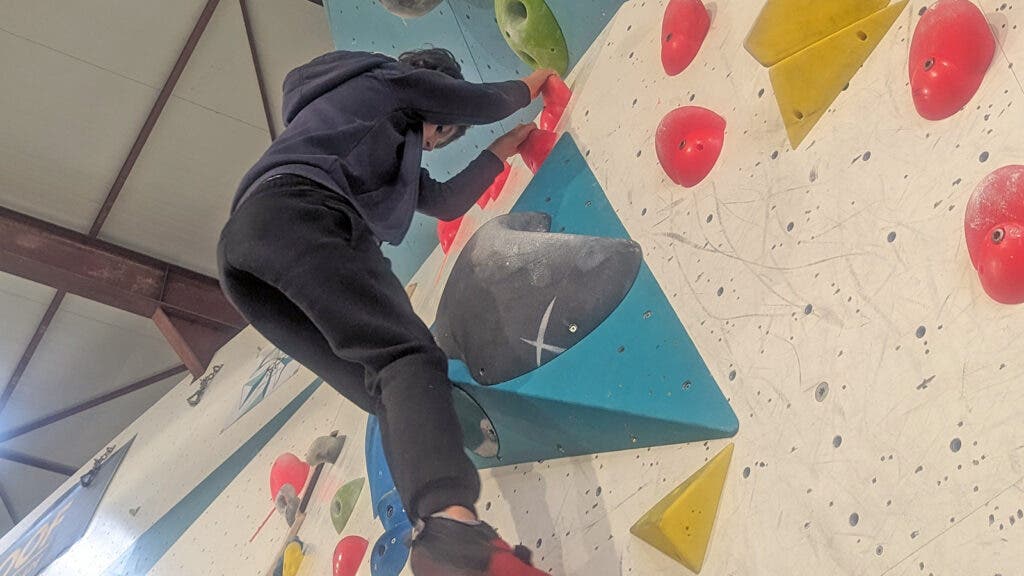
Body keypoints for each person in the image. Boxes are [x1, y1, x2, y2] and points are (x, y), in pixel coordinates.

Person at [217, 48, 556, 574]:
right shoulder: (387, 82)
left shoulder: (348, 123)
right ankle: (453, 532)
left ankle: (434, 532)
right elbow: (481, 101)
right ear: (432, 96)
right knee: (407, 358)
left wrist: (499, 153)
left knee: (385, 392)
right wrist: (534, 83)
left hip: (246, 258)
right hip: (303, 212)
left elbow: (443, 201)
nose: (431, 145)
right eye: (440, 132)